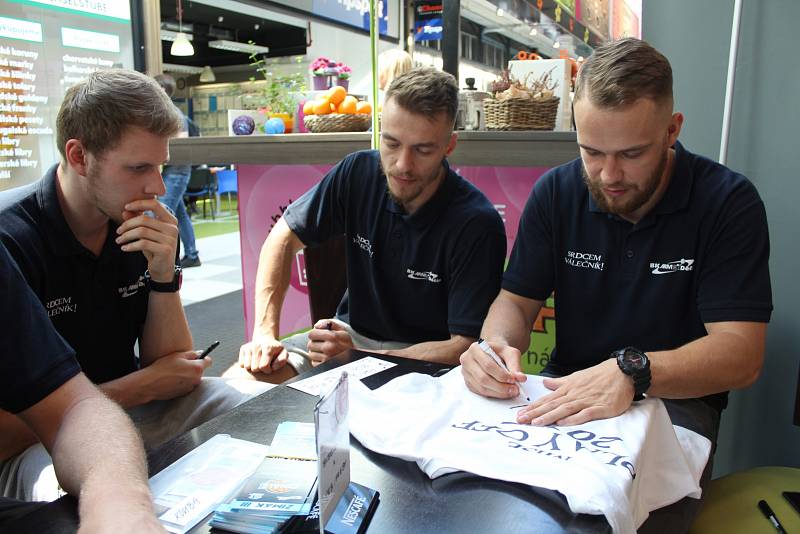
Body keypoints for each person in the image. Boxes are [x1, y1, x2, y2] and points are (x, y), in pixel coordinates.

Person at [459, 38, 771, 531]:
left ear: (672, 131)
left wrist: (633, 372)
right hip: (565, 391)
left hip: (675, 408)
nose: (609, 175)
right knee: (486, 504)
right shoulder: (556, 193)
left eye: (631, 153)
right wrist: (494, 345)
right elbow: (515, 304)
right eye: (591, 151)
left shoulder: (727, 203)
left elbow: (742, 354)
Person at [0, 69, 270, 502]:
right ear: (79, 156)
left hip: (132, 412)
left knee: (258, 407)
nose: (158, 187)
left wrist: (164, 275)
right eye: (139, 167)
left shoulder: (134, 225)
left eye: (161, 166)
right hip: (36, 445)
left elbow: (174, 368)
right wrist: (139, 386)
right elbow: (8, 432)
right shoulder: (11, 241)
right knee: (68, 490)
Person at [231, 68, 506, 382]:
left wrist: (360, 358)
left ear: (449, 146)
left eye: (423, 150)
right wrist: (264, 333)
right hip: (347, 341)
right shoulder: (357, 171)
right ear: (379, 130)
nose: (402, 164)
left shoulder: (476, 223)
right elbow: (284, 235)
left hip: (425, 366)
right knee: (238, 386)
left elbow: (463, 346)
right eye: (391, 143)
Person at [0, 243, 164, 533]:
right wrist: (139, 387)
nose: (159, 194)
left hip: (106, 427)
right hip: (31, 451)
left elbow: (70, 406)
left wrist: (121, 508)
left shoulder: (142, 239)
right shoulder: (17, 236)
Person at [153, 73, 201, 268]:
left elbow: (180, 144)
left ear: (163, 90)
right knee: (179, 214)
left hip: (177, 171)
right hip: (172, 171)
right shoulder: (169, 113)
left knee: (159, 213)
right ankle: (192, 254)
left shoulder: (173, 115)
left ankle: (163, 259)